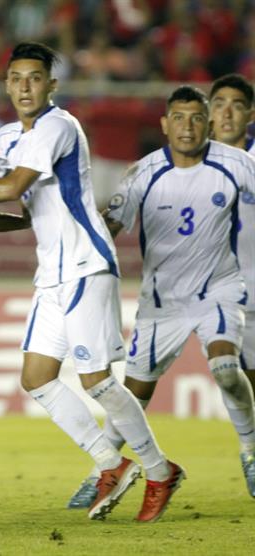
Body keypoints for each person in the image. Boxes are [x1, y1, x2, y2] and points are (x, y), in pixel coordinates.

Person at [0, 42, 182, 522]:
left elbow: (10, 189)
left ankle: (160, 470)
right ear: (7, 84)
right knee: (35, 378)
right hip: (51, 272)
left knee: (95, 381)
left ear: (52, 84)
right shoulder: (7, 136)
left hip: (85, 263)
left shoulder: (58, 126)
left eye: (36, 77)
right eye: (17, 78)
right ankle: (110, 462)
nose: (25, 86)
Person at [67, 83, 255, 501]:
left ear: (207, 124)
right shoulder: (142, 173)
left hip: (218, 292)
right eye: (179, 118)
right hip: (161, 302)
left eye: (196, 118)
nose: (187, 127)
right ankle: (105, 470)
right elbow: (110, 224)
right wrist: (79, 249)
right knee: (134, 392)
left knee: (226, 368)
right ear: (165, 124)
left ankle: (250, 449)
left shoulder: (238, 164)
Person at [208, 77, 255, 465]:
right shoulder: (187, 161)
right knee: (227, 371)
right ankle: (108, 463)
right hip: (216, 297)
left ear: (250, 115)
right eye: (218, 103)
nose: (226, 112)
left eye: (236, 105)